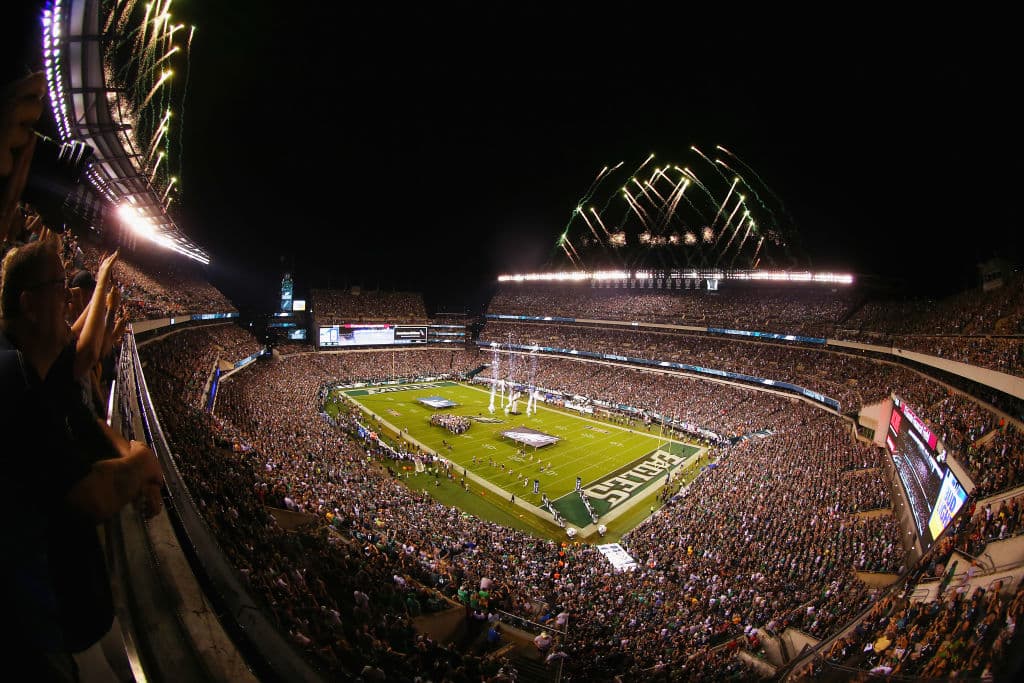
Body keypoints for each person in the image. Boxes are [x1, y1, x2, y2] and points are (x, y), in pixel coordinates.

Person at [0, 237, 165, 681]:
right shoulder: (12, 381)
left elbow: (93, 428)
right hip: (47, 635)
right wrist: (143, 462)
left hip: (79, 616)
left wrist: (135, 459)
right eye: (61, 285)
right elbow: (90, 496)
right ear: (30, 304)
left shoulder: (38, 372)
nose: (72, 297)